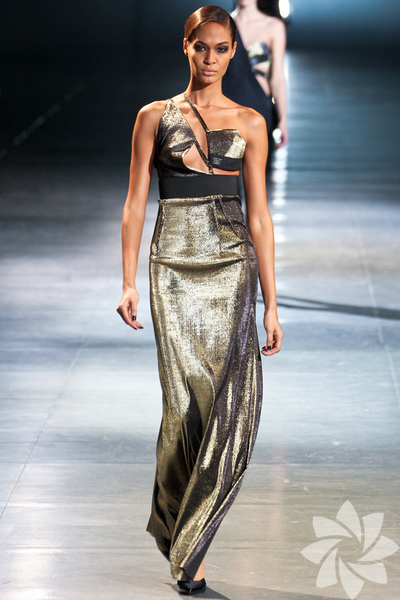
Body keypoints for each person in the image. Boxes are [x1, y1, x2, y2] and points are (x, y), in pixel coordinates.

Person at [116, 6, 283, 595]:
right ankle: (175, 522)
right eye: (201, 46)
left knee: (228, 407)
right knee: (183, 406)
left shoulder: (251, 122)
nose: (210, 58)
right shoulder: (153, 117)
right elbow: (135, 204)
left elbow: (259, 217)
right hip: (171, 266)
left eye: (221, 48)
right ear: (185, 46)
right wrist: (129, 282)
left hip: (232, 266)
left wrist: (271, 302)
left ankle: (192, 546)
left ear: (233, 52)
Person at [222, 0, 288, 167]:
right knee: (227, 169)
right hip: (227, 105)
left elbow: (277, 78)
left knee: (255, 169)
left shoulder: (274, 26)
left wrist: (283, 120)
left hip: (258, 105)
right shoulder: (221, 24)